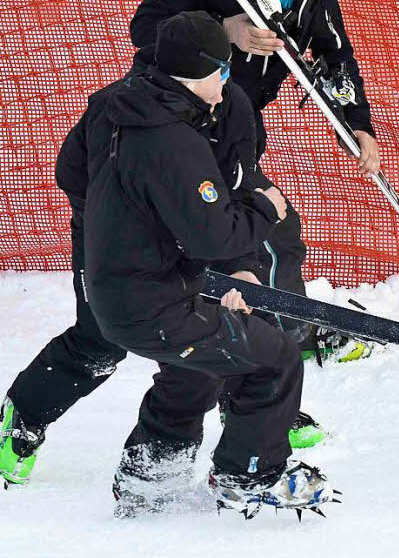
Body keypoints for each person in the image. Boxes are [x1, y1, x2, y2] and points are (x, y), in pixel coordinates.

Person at [1, 31, 322, 490]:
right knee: (101, 340)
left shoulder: (233, 108)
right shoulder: (120, 108)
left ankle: (235, 421)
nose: (225, 79)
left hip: (193, 235)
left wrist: (238, 265)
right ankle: (23, 417)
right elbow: (72, 172)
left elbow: (241, 186)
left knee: (206, 340)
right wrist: (129, 228)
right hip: (112, 235)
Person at [79, 11, 330, 516]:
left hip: (133, 289)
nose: (228, 81)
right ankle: (249, 475)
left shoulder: (128, 110)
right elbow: (213, 231)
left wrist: (197, 262)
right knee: (273, 357)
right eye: (225, 70)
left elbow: (80, 175)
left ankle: (151, 475)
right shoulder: (171, 141)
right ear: (199, 75)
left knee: (201, 364)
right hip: (150, 300)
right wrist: (266, 209)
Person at [130, 0, 379, 366]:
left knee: (247, 231)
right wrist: (224, 31)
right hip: (180, 119)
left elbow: (334, 53)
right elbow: (146, 29)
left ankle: (239, 332)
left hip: (238, 122)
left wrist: (357, 124)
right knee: (264, 230)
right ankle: (279, 340)